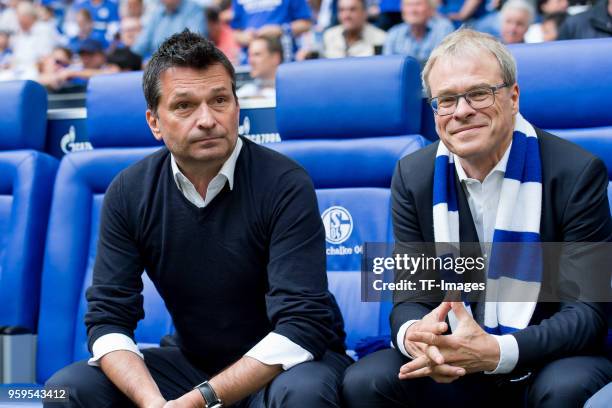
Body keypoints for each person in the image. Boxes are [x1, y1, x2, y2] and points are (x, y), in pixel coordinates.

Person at [45, 30, 350, 408]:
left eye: (220, 100)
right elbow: (107, 319)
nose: (207, 119)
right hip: (193, 362)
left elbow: (303, 326)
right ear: (155, 122)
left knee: (302, 393)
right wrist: (153, 402)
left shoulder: (285, 183)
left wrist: (200, 400)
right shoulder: (128, 191)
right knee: (67, 387)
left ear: (238, 107)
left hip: (286, 366)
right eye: (185, 106)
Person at [342, 28, 612, 408]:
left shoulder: (575, 172)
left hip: (546, 353)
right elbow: (409, 298)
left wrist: (496, 351)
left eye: (479, 93)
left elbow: (586, 313)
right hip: (457, 354)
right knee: (367, 381)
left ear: (513, 97)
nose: (462, 111)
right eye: (446, 100)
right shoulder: (413, 175)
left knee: (564, 387)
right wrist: (418, 334)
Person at [383, 0, 454, 66]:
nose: (413, 10)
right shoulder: (394, 33)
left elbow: (447, 64)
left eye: (418, 4)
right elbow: (387, 67)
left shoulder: (443, 29)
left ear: (430, 8)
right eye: (408, 5)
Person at [131, 0, 206, 58]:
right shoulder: (157, 13)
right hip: (158, 66)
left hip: (184, 65)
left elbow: (194, 43)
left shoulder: (194, 9)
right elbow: (139, 47)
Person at [231, 0, 312, 51]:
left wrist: (281, 29)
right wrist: (244, 37)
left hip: (283, 54)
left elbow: (306, 24)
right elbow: (235, 32)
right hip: (250, 59)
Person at [237, 35, 282, 99]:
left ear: (275, 58)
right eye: (249, 55)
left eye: (257, 54)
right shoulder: (245, 91)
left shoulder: (288, 93)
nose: (250, 61)